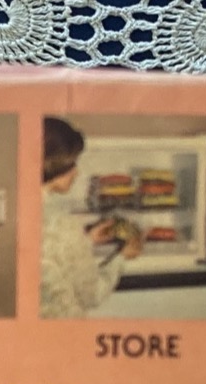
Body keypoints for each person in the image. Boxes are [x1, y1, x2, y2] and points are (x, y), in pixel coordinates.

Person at [39, 117, 141, 319]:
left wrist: (86, 241)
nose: (76, 172)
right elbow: (92, 295)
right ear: (54, 164)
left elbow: (52, 256)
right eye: (71, 164)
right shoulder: (64, 224)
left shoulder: (21, 208)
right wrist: (122, 257)